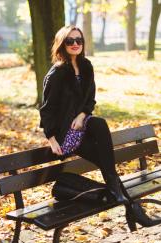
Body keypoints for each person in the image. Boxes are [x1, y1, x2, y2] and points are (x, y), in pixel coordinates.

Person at [39, 25, 128, 204]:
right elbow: (47, 109)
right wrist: (52, 138)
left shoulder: (86, 66)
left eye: (78, 40)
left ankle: (119, 193)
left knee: (100, 123)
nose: (75, 44)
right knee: (104, 158)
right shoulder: (57, 74)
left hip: (82, 125)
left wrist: (81, 115)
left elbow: (90, 99)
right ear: (62, 44)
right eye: (70, 41)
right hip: (66, 132)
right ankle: (122, 195)